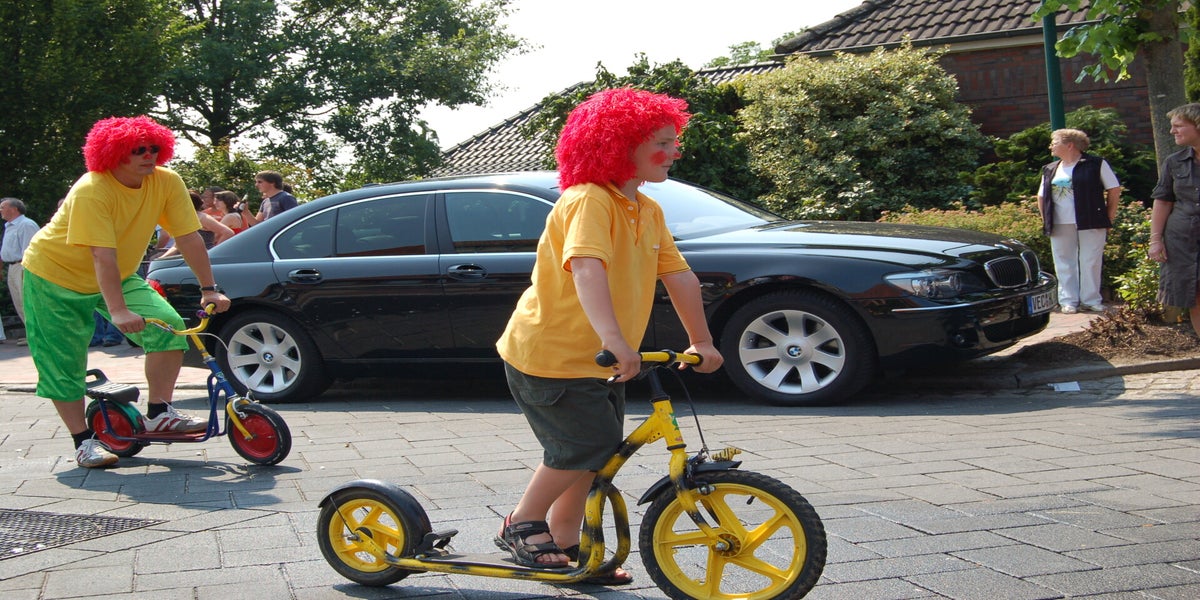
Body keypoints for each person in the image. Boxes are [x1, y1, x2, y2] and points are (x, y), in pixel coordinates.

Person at [493, 88, 723, 584]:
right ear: (619, 146)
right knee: (582, 446)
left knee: (598, 451)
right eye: (663, 142)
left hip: (602, 359)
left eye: (674, 141)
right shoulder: (588, 200)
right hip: (552, 354)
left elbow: (679, 275)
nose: (675, 151)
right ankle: (522, 522)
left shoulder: (647, 209)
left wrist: (702, 341)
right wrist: (616, 339)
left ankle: (565, 538)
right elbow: (586, 267)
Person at [21, 115, 232, 468]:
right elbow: (101, 254)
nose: (149, 155)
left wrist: (209, 289)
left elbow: (188, 237)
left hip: (117, 275)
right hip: (54, 277)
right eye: (137, 150)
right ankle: (84, 442)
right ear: (113, 153)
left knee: (167, 325)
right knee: (64, 361)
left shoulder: (167, 181)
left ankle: (160, 413)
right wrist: (117, 310)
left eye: (154, 148)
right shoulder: (92, 188)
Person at [1036, 128, 1121, 314]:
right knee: (1063, 262)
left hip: (1091, 219)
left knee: (1090, 260)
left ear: (1070, 145)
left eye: (1054, 142)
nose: (1051, 146)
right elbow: (1041, 196)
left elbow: (1114, 189)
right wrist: (1046, 220)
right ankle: (1068, 301)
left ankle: (1091, 300)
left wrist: (1108, 217)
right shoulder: (1050, 168)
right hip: (1060, 223)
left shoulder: (1096, 164)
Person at [1149, 102, 1200, 337]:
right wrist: (1155, 240)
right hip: (1182, 241)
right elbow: (1163, 201)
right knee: (1195, 297)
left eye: (1178, 126)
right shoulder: (1174, 161)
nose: (1172, 131)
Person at [1, 197, 38, 345]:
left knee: (27, 302)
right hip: (12, 267)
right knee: (19, 302)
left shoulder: (26, 225)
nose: (0, 210)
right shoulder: (9, 226)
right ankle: (31, 334)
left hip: (22, 266)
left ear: (14, 209)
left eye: (3, 207)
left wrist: (26, 270)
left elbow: (30, 249)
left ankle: (37, 335)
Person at [159, 191, 233, 256]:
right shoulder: (183, 219)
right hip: (185, 257)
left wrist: (213, 252)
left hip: (203, 257)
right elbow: (177, 246)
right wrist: (161, 259)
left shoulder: (202, 218)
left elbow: (228, 232)